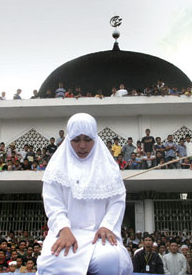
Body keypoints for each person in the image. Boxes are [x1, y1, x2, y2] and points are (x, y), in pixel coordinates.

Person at [37, 113, 132, 275]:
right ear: (68, 140)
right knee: (51, 263)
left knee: (111, 260)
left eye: (87, 140)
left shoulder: (108, 168)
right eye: (76, 140)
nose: (82, 146)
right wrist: (64, 229)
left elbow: (117, 201)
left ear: (95, 138)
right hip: (67, 233)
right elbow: (53, 203)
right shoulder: (56, 169)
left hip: (99, 235)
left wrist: (107, 226)